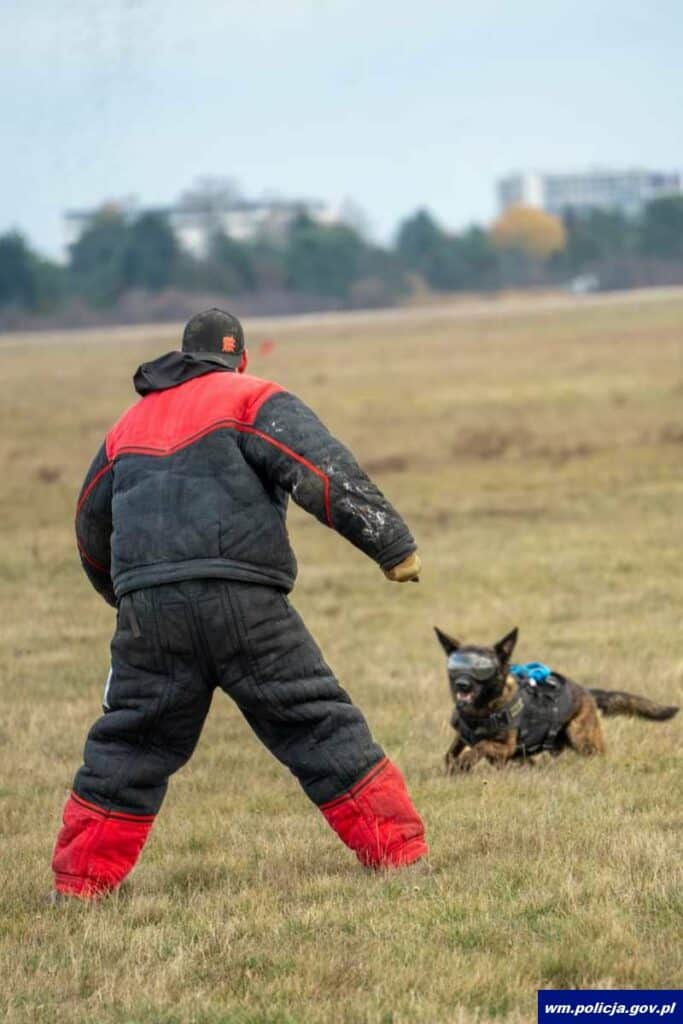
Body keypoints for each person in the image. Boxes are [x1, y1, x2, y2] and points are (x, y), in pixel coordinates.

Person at [51, 308, 427, 900]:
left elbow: (89, 525)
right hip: (245, 602)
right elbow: (322, 471)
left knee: (129, 742)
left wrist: (125, 596)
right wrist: (392, 545)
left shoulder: (127, 425)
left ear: (180, 358)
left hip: (149, 612)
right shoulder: (252, 398)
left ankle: (78, 884)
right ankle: (398, 853)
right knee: (316, 721)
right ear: (240, 358)